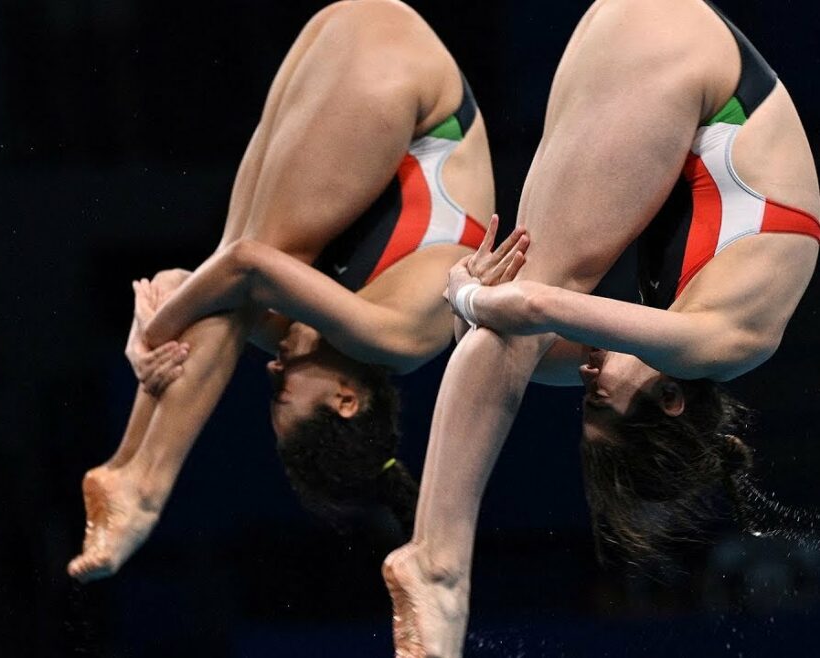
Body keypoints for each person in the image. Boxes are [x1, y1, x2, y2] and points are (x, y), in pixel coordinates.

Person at [381, 0, 820, 656]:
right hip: (685, 59)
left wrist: (472, 302)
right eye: (599, 396)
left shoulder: (667, 341)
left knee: (514, 330)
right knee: (529, 310)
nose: (587, 375)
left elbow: (508, 333)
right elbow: (526, 311)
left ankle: (436, 558)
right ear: (670, 399)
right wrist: (467, 294)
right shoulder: (724, 340)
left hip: (658, 44)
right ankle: (439, 562)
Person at [67, 0, 503, 583]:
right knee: (258, 261)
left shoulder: (317, 328)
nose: (271, 373)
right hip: (415, 86)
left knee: (238, 264)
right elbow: (245, 268)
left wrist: (151, 328)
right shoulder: (398, 337)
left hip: (342, 37)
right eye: (283, 397)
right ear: (348, 399)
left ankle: (126, 461)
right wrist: (162, 327)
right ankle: (145, 482)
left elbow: (194, 285)